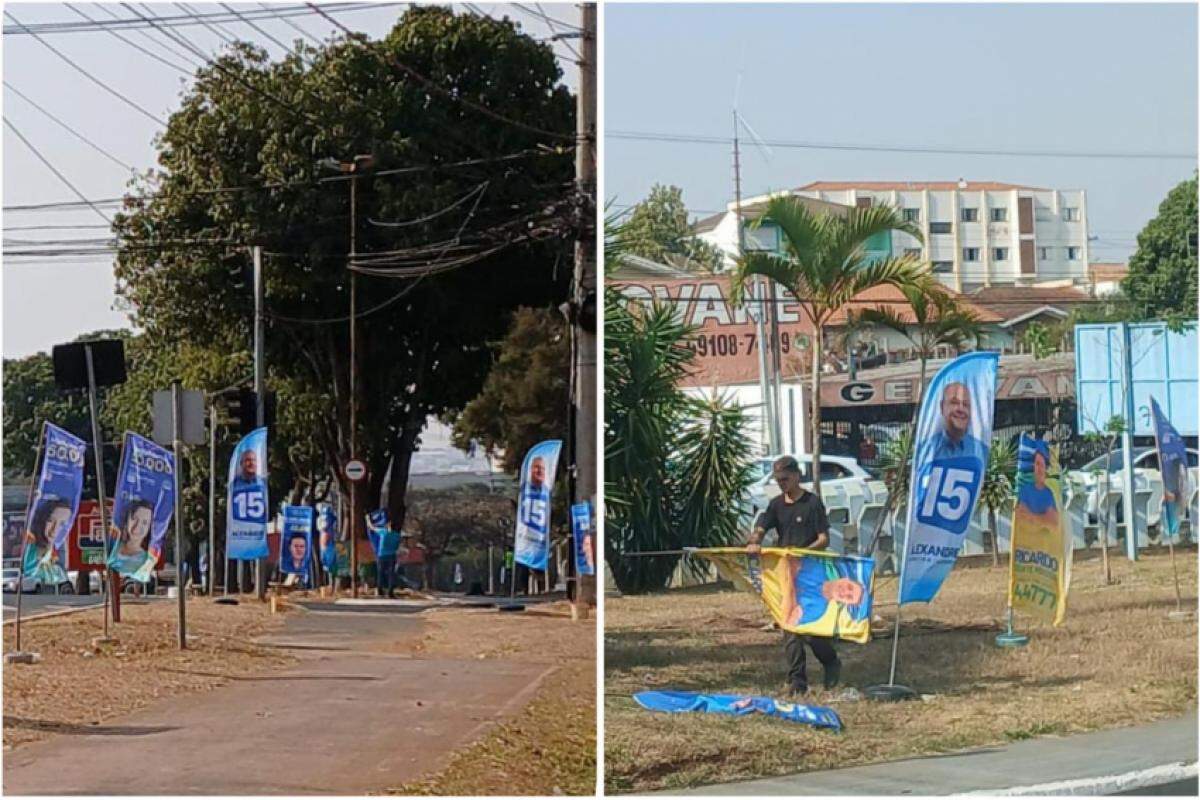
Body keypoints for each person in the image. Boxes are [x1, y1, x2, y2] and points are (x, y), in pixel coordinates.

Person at [746, 455, 842, 695]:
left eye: (785, 479)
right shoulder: (776, 504)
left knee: (809, 630)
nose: (781, 483)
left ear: (797, 476)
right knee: (789, 627)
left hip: (810, 575)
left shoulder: (812, 503)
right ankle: (797, 682)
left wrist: (803, 554)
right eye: (777, 480)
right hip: (785, 576)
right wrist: (755, 541)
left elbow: (824, 538)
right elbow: (761, 527)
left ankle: (831, 662)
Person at [920, 381, 988, 465]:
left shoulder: (982, 451)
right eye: (954, 402)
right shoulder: (926, 449)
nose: (960, 409)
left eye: (966, 404)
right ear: (942, 407)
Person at [1015, 444, 1058, 530]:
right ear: (1033, 467)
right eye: (1037, 464)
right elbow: (1020, 517)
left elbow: (1054, 523)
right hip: (1025, 539)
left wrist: (1032, 516)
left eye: (1042, 465)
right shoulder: (1025, 490)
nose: (1039, 469)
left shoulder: (1048, 493)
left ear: (1046, 469)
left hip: (1045, 541)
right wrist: (1043, 518)